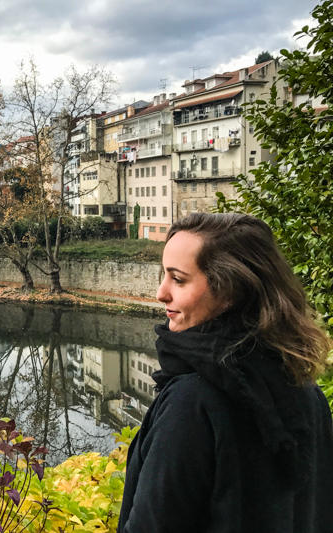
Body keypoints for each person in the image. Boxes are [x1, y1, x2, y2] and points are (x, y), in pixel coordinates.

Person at [118, 213, 333, 533]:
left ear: (230, 291)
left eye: (178, 279)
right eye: (164, 275)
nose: (161, 293)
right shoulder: (305, 390)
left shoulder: (192, 404)